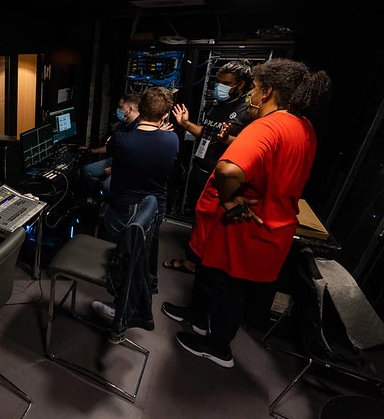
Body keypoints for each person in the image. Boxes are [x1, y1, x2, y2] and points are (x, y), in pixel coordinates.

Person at [161, 58, 331, 368]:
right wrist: (233, 141)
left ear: (267, 92)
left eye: (253, 89)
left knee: (228, 289)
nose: (250, 96)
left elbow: (228, 170)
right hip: (268, 227)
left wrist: (227, 200)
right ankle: (198, 319)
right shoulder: (302, 126)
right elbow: (273, 156)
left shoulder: (266, 126)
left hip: (241, 229)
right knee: (214, 278)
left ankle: (217, 346)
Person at [92, 87, 180, 342]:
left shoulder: (121, 139)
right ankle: (134, 298)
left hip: (123, 207)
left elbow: (114, 159)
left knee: (121, 257)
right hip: (153, 208)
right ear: (164, 115)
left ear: (140, 109)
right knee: (140, 255)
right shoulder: (171, 140)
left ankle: (119, 308)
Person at [164, 61, 253, 275]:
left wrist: (227, 140)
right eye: (218, 82)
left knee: (211, 224)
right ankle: (195, 258)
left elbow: (251, 145)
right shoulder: (219, 105)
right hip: (201, 169)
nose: (219, 87)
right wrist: (185, 124)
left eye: (225, 83)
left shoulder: (246, 111)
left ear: (240, 85)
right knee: (200, 218)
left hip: (219, 176)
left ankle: (198, 265)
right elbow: (206, 132)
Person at [79, 93, 141, 200]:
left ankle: (108, 204)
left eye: (121, 107)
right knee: (87, 171)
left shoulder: (139, 128)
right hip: (115, 160)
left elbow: (137, 158)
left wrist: (115, 169)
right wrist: (91, 151)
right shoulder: (125, 125)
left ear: (130, 109)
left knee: (108, 186)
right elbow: (111, 147)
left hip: (126, 166)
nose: (119, 110)